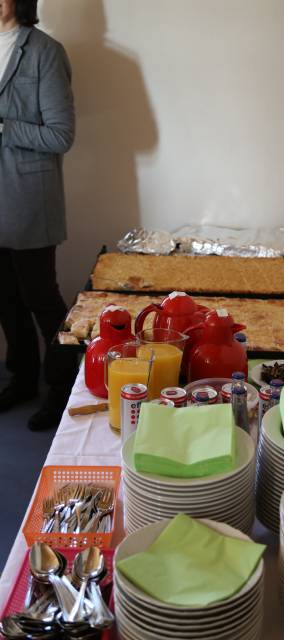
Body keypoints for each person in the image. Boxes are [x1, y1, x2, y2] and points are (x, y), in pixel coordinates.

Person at [0, 0, 77, 430]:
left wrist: (4, 127)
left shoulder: (45, 51)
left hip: (29, 198)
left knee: (41, 299)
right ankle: (24, 380)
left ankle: (62, 389)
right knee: (5, 300)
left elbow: (61, 135)